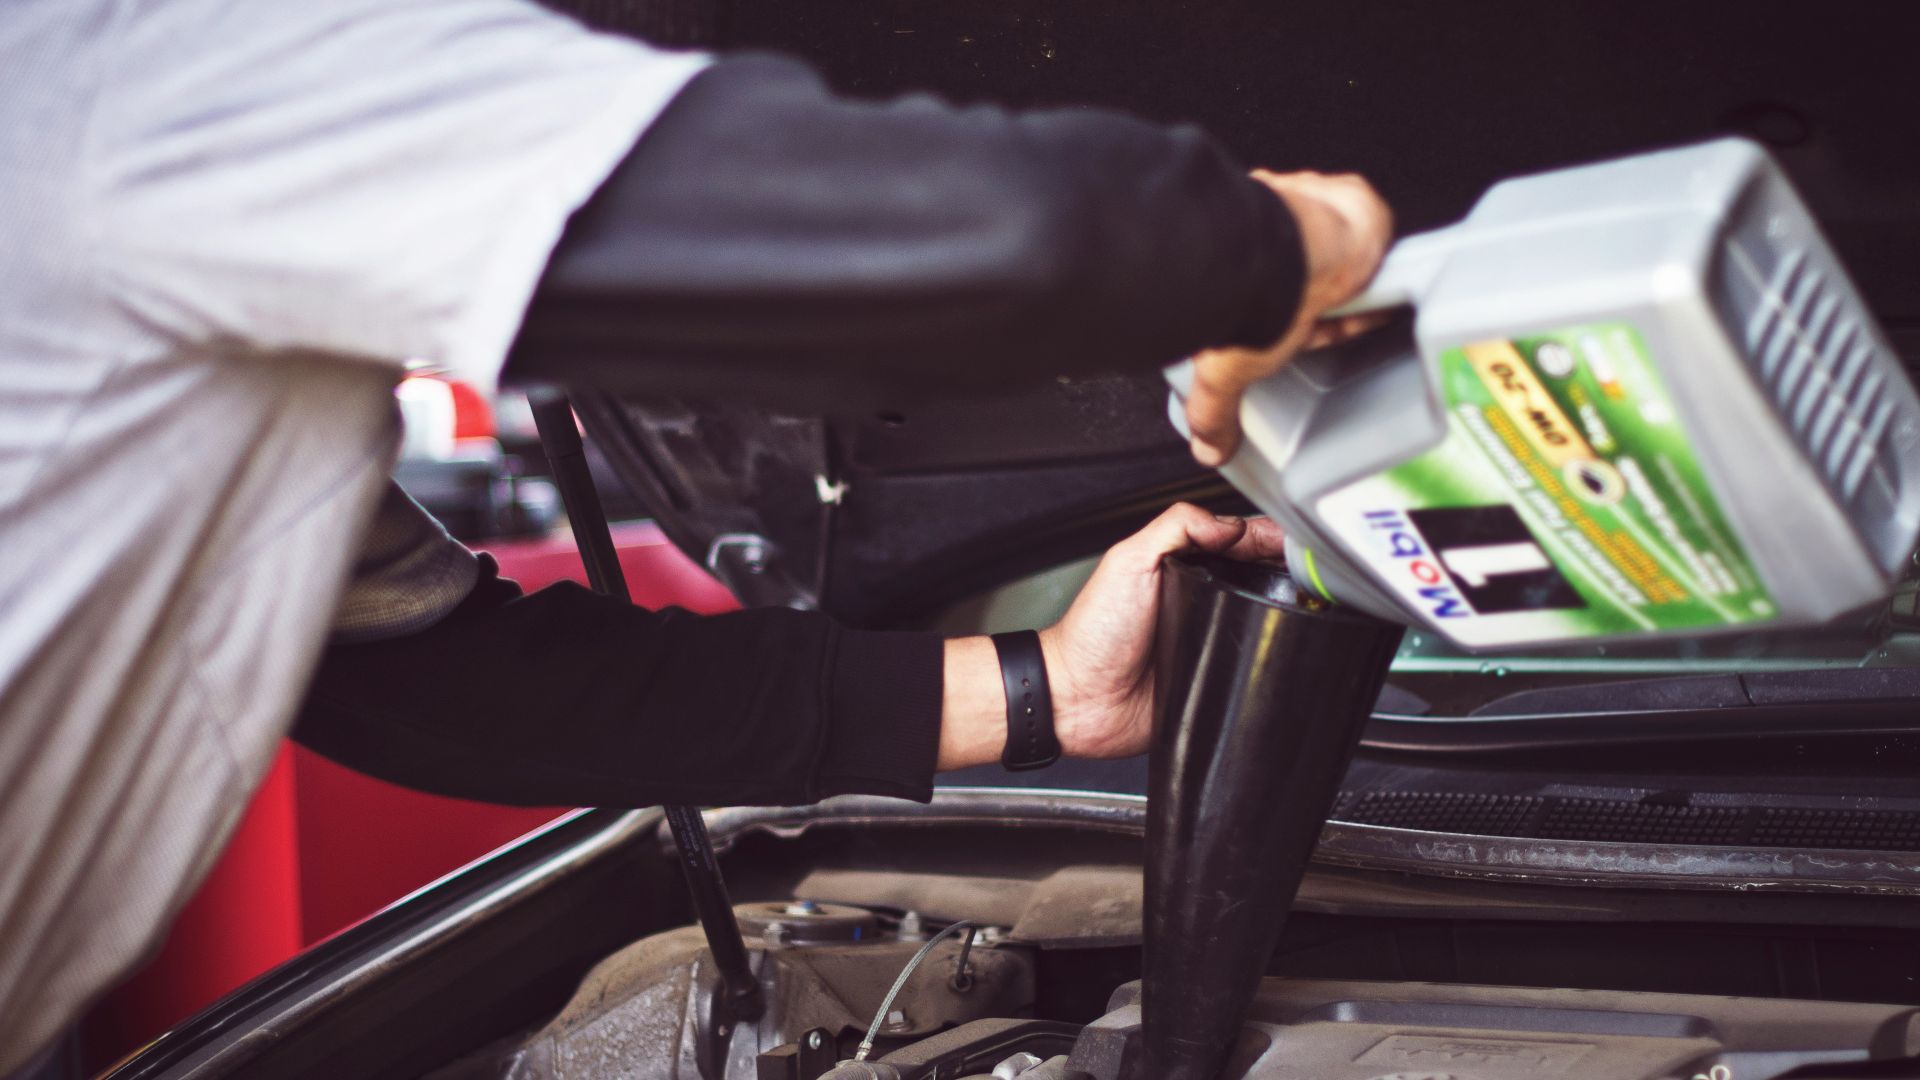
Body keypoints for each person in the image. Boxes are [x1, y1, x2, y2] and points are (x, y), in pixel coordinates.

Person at [0, 0, 1390, 1072]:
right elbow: (977, 231)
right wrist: (1291, 237)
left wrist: (1044, 692)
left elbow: (431, 685)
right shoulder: (142, 70)